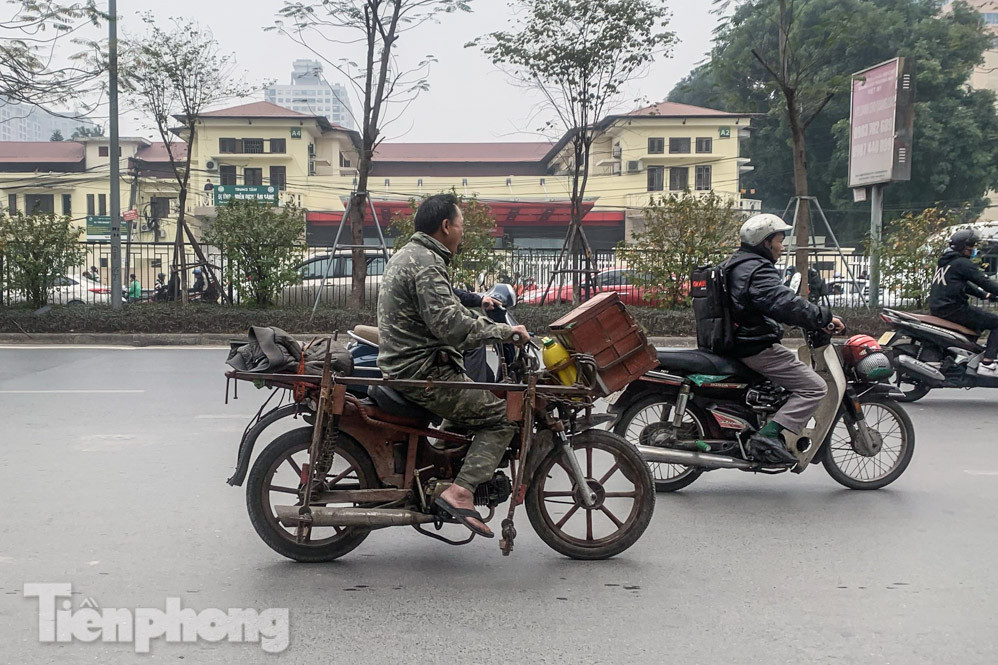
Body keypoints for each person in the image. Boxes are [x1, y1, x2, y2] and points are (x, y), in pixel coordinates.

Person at [377, 193, 528, 538]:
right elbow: (450, 325)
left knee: (466, 412)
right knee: (504, 418)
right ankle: (460, 492)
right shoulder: (428, 262)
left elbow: (451, 310)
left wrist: (484, 319)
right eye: (461, 225)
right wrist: (505, 333)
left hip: (411, 366)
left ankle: (441, 475)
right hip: (424, 372)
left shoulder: (412, 254)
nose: (463, 232)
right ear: (446, 226)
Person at [725, 213, 845, 464]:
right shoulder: (757, 270)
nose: (781, 247)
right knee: (814, 387)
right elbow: (784, 302)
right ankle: (767, 436)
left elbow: (761, 306)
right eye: (779, 241)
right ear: (765, 242)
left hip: (735, 341)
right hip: (754, 346)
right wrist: (823, 317)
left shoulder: (735, 264)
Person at [929, 229, 998, 377]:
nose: (973, 250)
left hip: (941, 308)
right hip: (954, 309)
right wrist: (990, 290)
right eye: (971, 246)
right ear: (963, 247)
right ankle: (987, 363)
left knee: (978, 326)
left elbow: (962, 285)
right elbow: (984, 281)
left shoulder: (946, 262)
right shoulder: (962, 263)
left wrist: (985, 295)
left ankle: (965, 360)